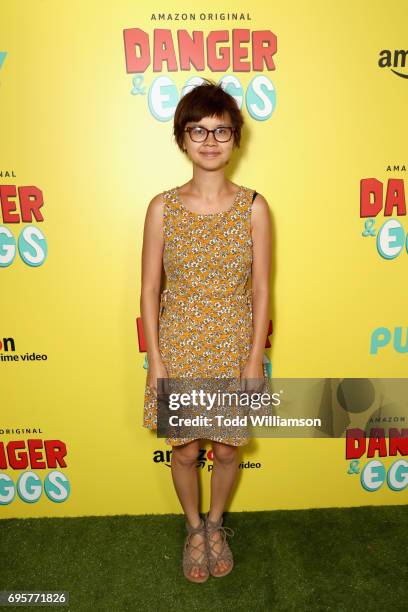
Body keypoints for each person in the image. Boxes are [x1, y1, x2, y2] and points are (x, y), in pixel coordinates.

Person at [140, 79, 271, 583]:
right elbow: (149, 291)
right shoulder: (162, 208)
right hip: (178, 346)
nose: (210, 140)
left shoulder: (255, 207)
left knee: (228, 447)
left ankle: (217, 523)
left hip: (234, 344)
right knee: (185, 448)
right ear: (182, 138)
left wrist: (254, 357)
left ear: (235, 138)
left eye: (221, 131)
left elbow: (260, 292)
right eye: (199, 130)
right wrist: (157, 361)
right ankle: (194, 528)